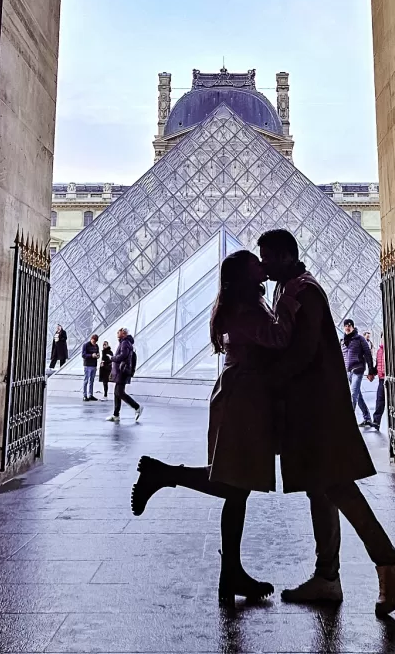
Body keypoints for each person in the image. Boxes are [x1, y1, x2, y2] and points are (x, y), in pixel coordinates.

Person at [129, 250, 301, 602]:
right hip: (244, 396)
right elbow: (279, 339)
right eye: (257, 263)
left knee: (237, 489)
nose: (263, 267)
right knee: (235, 483)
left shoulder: (242, 303)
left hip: (244, 393)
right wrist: (290, 299)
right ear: (243, 274)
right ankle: (162, 474)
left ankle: (231, 574)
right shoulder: (244, 308)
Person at [257, 228, 395, 616]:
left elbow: (304, 352)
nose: (263, 264)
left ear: (287, 256)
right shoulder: (292, 287)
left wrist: (266, 377)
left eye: (268, 257)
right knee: (320, 489)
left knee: (334, 486)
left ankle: (388, 560)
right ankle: (327, 577)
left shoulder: (305, 291)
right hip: (310, 404)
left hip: (316, 406)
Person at [341, 319, 375, 428]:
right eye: (346, 325)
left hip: (358, 369)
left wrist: (371, 371)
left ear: (353, 326)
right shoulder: (342, 340)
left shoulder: (360, 339)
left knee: (353, 394)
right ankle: (367, 418)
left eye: (349, 325)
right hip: (348, 371)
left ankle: (348, 421)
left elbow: (368, 354)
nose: (347, 327)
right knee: (358, 395)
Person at [106, 328, 143, 423]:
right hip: (121, 371)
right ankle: (116, 415)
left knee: (120, 393)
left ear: (124, 333)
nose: (117, 333)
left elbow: (123, 356)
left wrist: (112, 358)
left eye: (119, 331)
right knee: (117, 393)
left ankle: (137, 407)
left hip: (122, 372)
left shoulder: (125, 343)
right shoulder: (125, 342)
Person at [372, 335, 387, 431]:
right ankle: (376, 422)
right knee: (379, 400)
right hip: (381, 379)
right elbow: (377, 365)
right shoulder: (379, 351)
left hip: (389, 378)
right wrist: (372, 373)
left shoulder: (391, 348)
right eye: (382, 337)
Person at [81, 334, 100, 401]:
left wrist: (97, 355)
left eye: (95, 342)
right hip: (87, 365)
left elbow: (98, 353)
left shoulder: (96, 346)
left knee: (92, 380)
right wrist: (91, 355)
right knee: (86, 380)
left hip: (94, 365)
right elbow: (83, 355)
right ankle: (85, 395)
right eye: (93, 341)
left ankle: (90, 394)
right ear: (91, 339)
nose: (94, 343)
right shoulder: (86, 345)